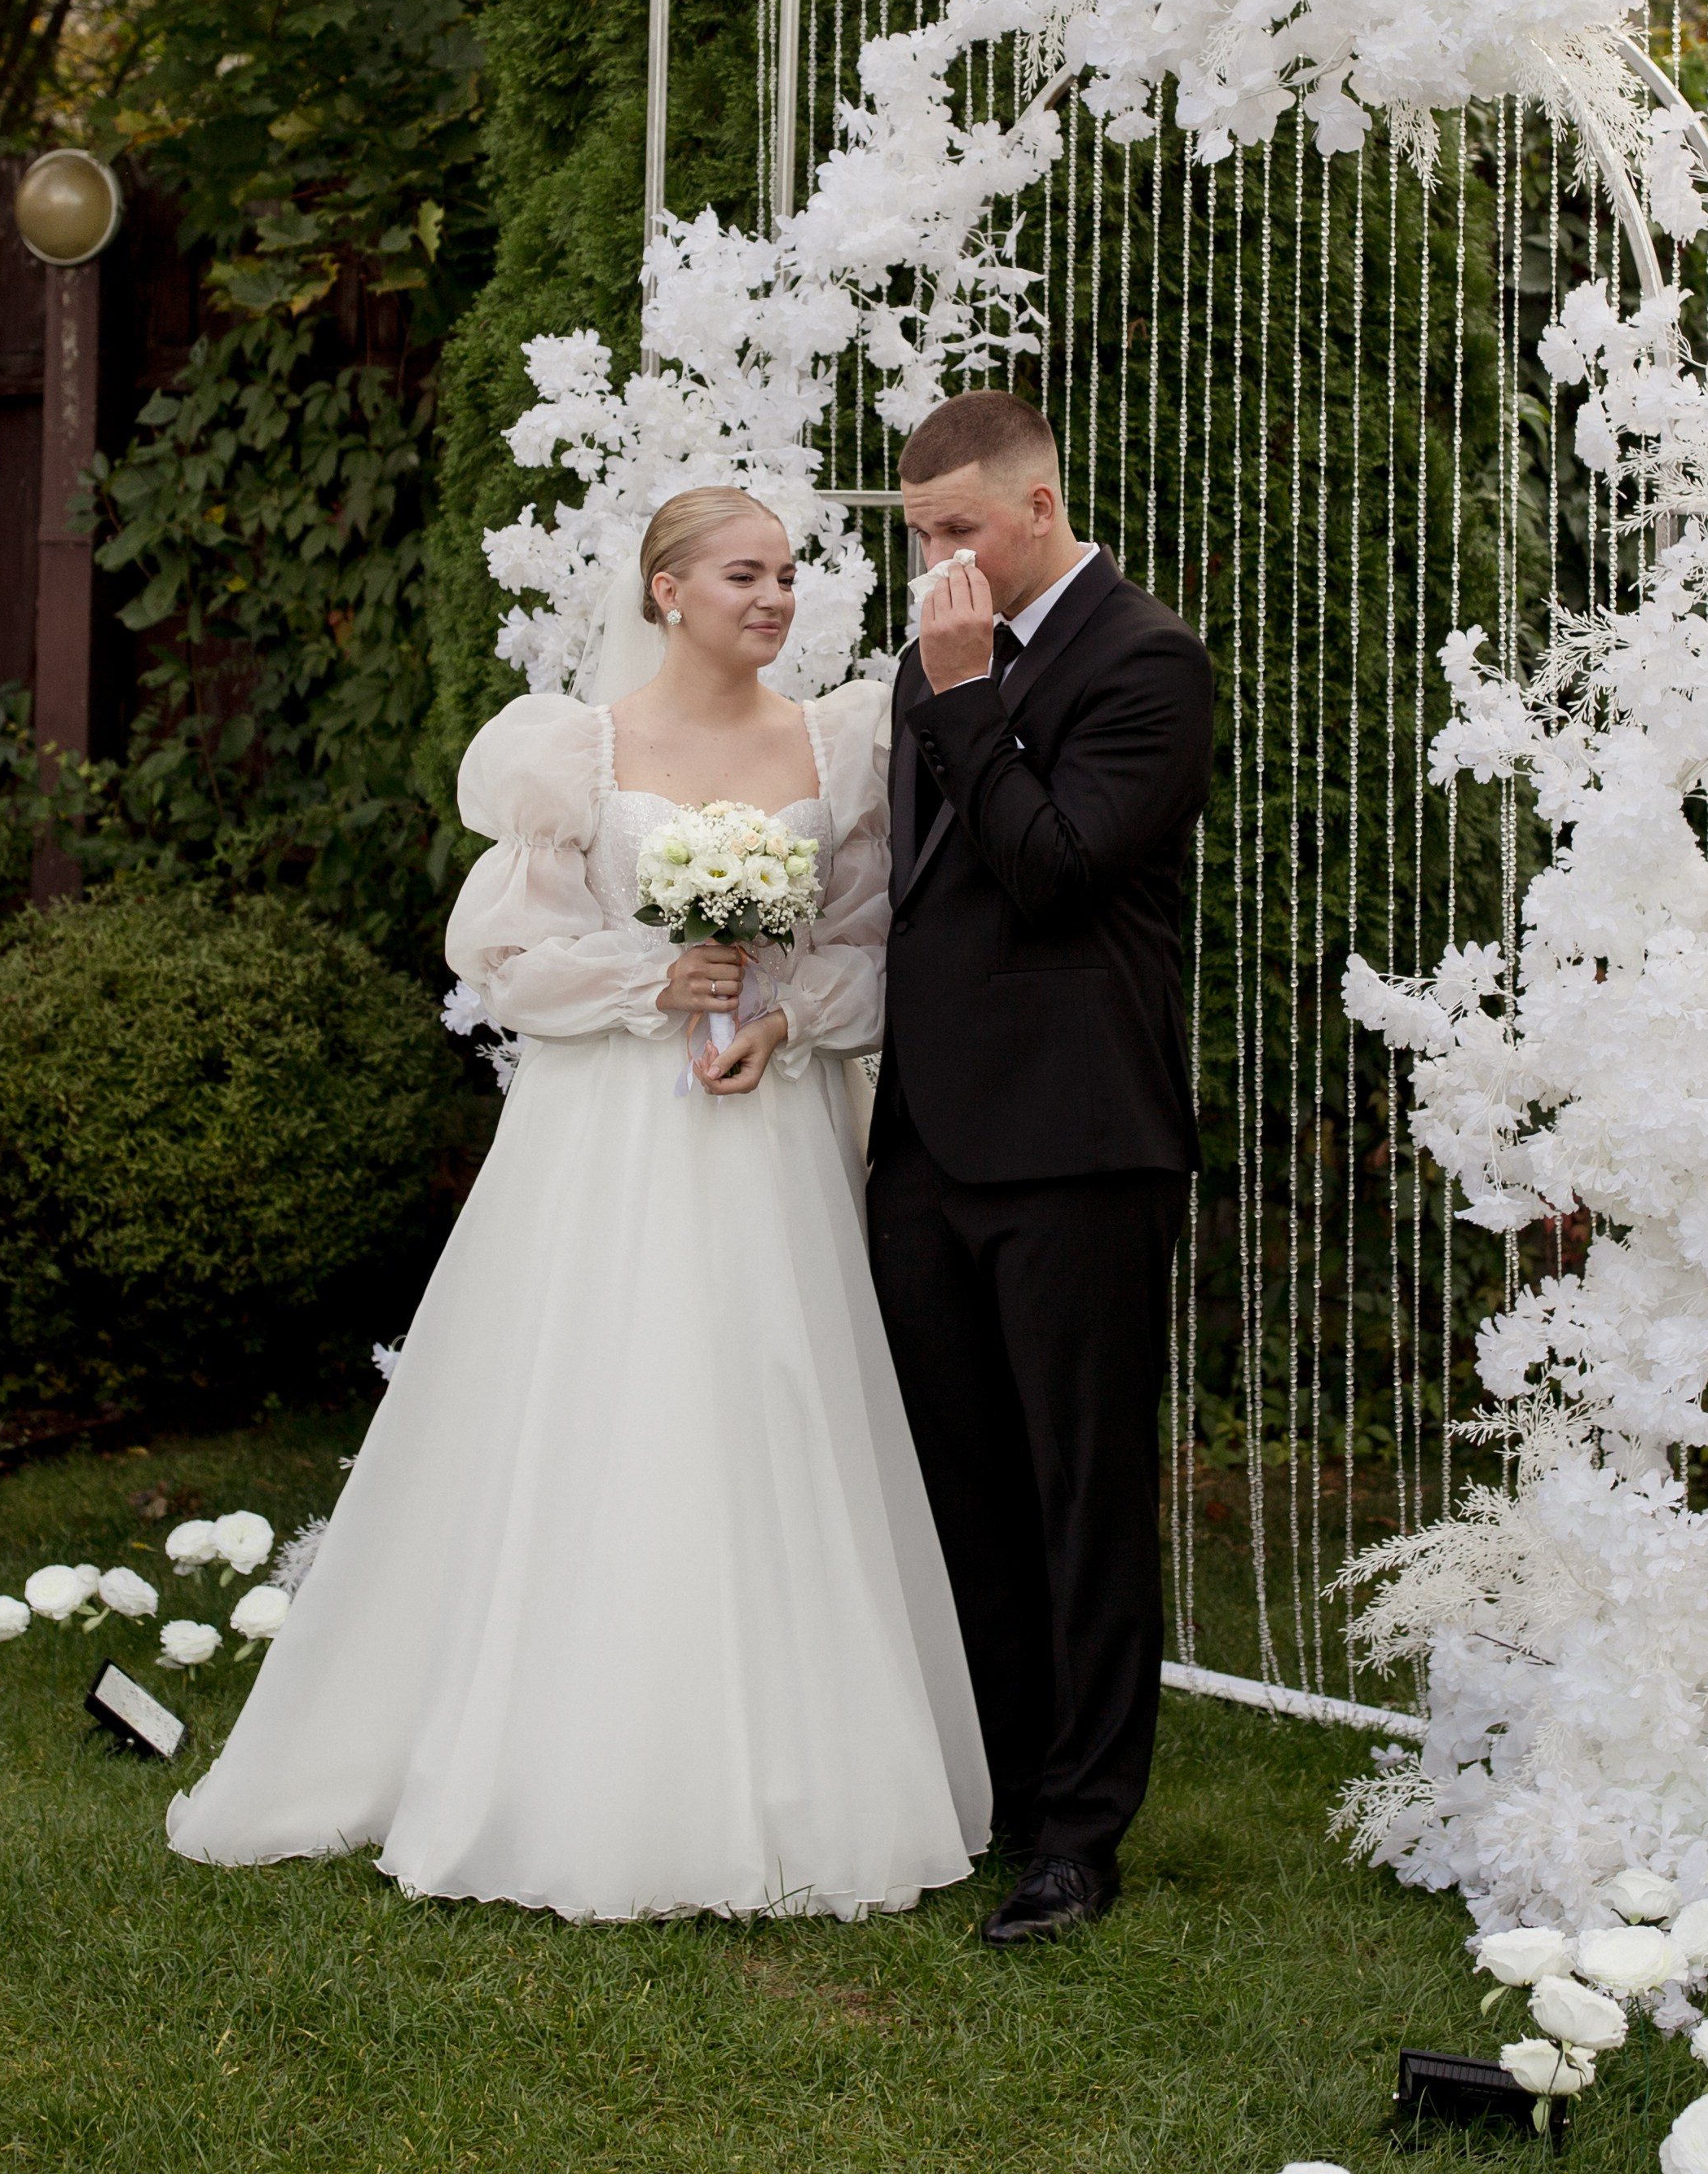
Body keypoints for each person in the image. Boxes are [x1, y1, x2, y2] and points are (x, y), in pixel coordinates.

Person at [168, 484, 989, 1921]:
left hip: (770, 1131)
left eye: (788, 575)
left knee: (774, 1402)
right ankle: (554, 1753)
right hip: (607, 1134)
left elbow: (869, 950)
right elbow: (502, 956)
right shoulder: (574, 754)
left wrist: (780, 1022)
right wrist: (646, 981)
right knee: (596, 1401)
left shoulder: (839, 745)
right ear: (665, 591)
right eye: (745, 573)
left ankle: (798, 1765)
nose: (776, 597)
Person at [870, 389, 1214, 1946]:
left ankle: (1082, 1835)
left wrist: (961, 699)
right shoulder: (929, 667)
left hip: (1079, 1142)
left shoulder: (1146, 658)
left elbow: (1058, 872)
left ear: (1038, 506)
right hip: (931, 1143)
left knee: (1082, 1493)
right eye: (917, 533)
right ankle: (1002, 1788)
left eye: (955, 529)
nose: (934, 558)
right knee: (967, 1486)